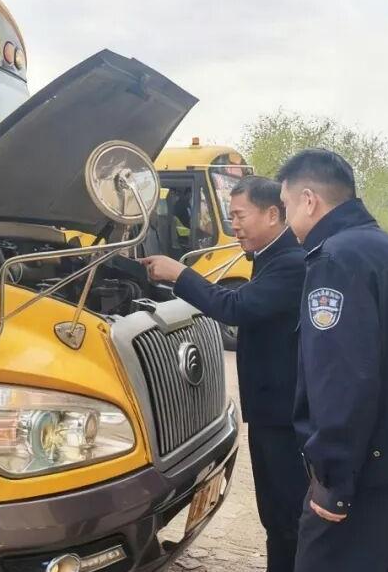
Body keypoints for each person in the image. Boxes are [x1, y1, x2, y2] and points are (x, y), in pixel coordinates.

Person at [277, 149, 388, 572]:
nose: (287, 222)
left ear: (309, 200)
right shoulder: (384, 247)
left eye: (286, 207)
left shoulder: (335, 260)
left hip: (368, 475)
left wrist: (332, 479)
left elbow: (342, 379)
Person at [141, 176, 307, 572]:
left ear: (272, 214)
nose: (234, 226)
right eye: (231, 216)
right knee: (276, 514)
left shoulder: (291, 263)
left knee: (285, 515)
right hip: (270, 411)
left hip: (283, 417)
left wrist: (178, 274)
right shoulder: (270, 257)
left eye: (239, 216)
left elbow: (234, 307)